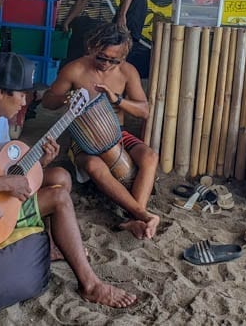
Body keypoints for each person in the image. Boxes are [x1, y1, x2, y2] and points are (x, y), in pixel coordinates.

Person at [0, 52, 136, 308]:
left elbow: (4, 169)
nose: (25, 101)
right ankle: (90, 285)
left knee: (59, 175)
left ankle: (50, 244)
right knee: (59, 197)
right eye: (20, 94)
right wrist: (6, 184)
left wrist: (41, 163)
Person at [42, 23, 160, 240]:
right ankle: (142, 214)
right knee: (94, 166)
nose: (106, 64)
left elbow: (144, 111)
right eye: (102, 57)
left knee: (150, 156)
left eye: (114, 60)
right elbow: (47, 101)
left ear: (123, 56)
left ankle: (135, 216)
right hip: (83, 138)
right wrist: (67, 97)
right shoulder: (75, 69)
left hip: (118, 132)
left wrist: (118, 100)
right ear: (91, 47)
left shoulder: (127, 72)